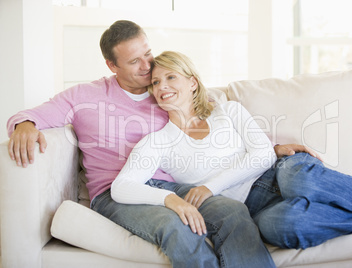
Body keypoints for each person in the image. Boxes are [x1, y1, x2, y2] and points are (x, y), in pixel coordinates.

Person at [7, 21, 276, 267]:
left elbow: (213, 124)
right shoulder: (84, 96)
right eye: (135, 61)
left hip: (167, 184)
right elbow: (32, 115)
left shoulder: (164, 93)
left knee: (232, 211)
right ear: (112, 65)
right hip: (115, 193)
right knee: (174, 225)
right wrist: (25, 125)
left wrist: (273, 148)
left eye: (147, 53)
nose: (147, 66)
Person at [112, 50, 352, 252]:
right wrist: (171, 200)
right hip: (258, 208)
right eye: (155, 82)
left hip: (279, 172)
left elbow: (263, 155)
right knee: (283, 227)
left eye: (170, 77)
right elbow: (121, 187)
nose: (162, 86)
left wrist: (210, 187)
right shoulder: (157, 142)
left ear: (192, 82)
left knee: (298, 179)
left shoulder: (227, 111)